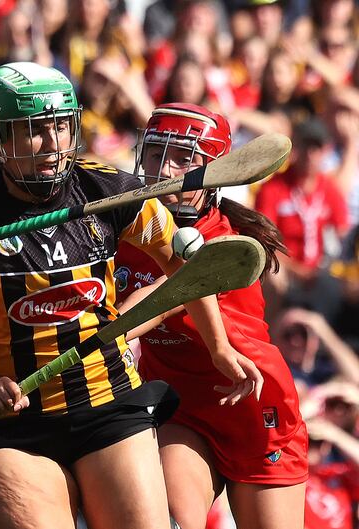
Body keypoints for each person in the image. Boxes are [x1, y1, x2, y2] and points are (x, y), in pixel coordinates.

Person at [0, 62, 261, 529]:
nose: (54, 144)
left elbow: (184, 266)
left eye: (62, 126)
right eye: (34, 130)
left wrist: (219, 346)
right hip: (15, 425)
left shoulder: (107, 189)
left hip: (109, 403)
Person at [114, 103, 308, 529]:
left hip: (254, 409)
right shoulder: (124, 232)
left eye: (183, 158)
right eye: (155, 153)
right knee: (167, 521)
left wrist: (115, 333)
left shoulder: (222, 241)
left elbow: (167, 294)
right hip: (182, 408)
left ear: (218, 171)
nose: (165, 169)